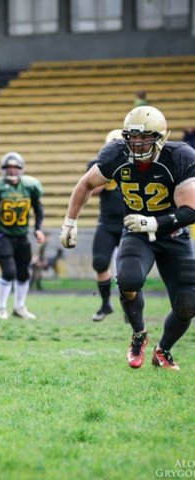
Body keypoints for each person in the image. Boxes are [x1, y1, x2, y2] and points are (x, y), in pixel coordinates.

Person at [60, 105, 195, 370]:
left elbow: (191, 210)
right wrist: (69, 222)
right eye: (132, 137)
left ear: (160, 137)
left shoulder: (179, 156)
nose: (137, 143)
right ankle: (138, 335)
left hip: (174, 234)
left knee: (188, 304)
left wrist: (154, 221)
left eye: (144, 137)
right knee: (128, 281)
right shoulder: (116, 154)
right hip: (136, 232)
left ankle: (163, 351)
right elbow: (86, 183)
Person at [0, 152, 45, 320]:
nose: (11, 171)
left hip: (22, 235)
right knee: (9, 272)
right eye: (8, 167)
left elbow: (38, 208)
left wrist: (38, 228)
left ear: (21, 169)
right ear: (2, 169)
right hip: (2, 235)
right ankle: (0, 308)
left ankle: (19, 307)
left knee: (23, 274)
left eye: (15, 167)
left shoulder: (30, 187)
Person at [89, 129, 126, 322]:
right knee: (100, 263)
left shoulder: (136, 166)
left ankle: (131, 309)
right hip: (107, 223)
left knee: (129, 270)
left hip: (130, 223)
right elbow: (91, 191)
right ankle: (105, 305)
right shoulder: (99, 165)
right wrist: (106, 172)